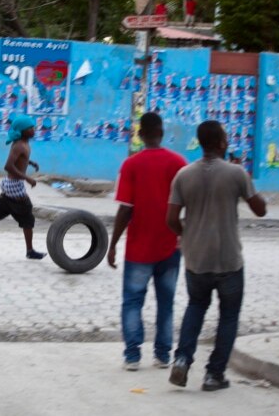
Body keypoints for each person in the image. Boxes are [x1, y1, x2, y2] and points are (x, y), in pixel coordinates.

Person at [166, 120, 266, 391]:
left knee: (195, 307)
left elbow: (171, 218)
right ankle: (214, 374)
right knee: (228, 316)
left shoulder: (183, 175)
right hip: (229, 260)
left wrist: (185, 235)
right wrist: (245, 178)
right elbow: (261, 210)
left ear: (201, 143)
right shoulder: (236, 173)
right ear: (222, 142)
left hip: (196, 258)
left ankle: (183, 359)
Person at [107, 112, 187, 371]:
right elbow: (189, 206)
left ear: (140, 135)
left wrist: (113, 243)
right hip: (170, 246)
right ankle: (163, 354)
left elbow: (125, 209)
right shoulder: (178, 163)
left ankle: (132, 356)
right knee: (166, 301)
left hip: (138, 248)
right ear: (161, 132)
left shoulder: (131, 165)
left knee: (132, 301)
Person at [0, 115, 46, 260]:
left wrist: (30, 163)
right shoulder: (19, 144)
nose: (34, 130)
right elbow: (8, 166)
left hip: (11, 185)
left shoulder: (24, 144)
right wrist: (27, 178)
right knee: (27, 216)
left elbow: (21, 159)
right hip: (14, 185)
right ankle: (30, 250)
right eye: (30, 128)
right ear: (23, 131)